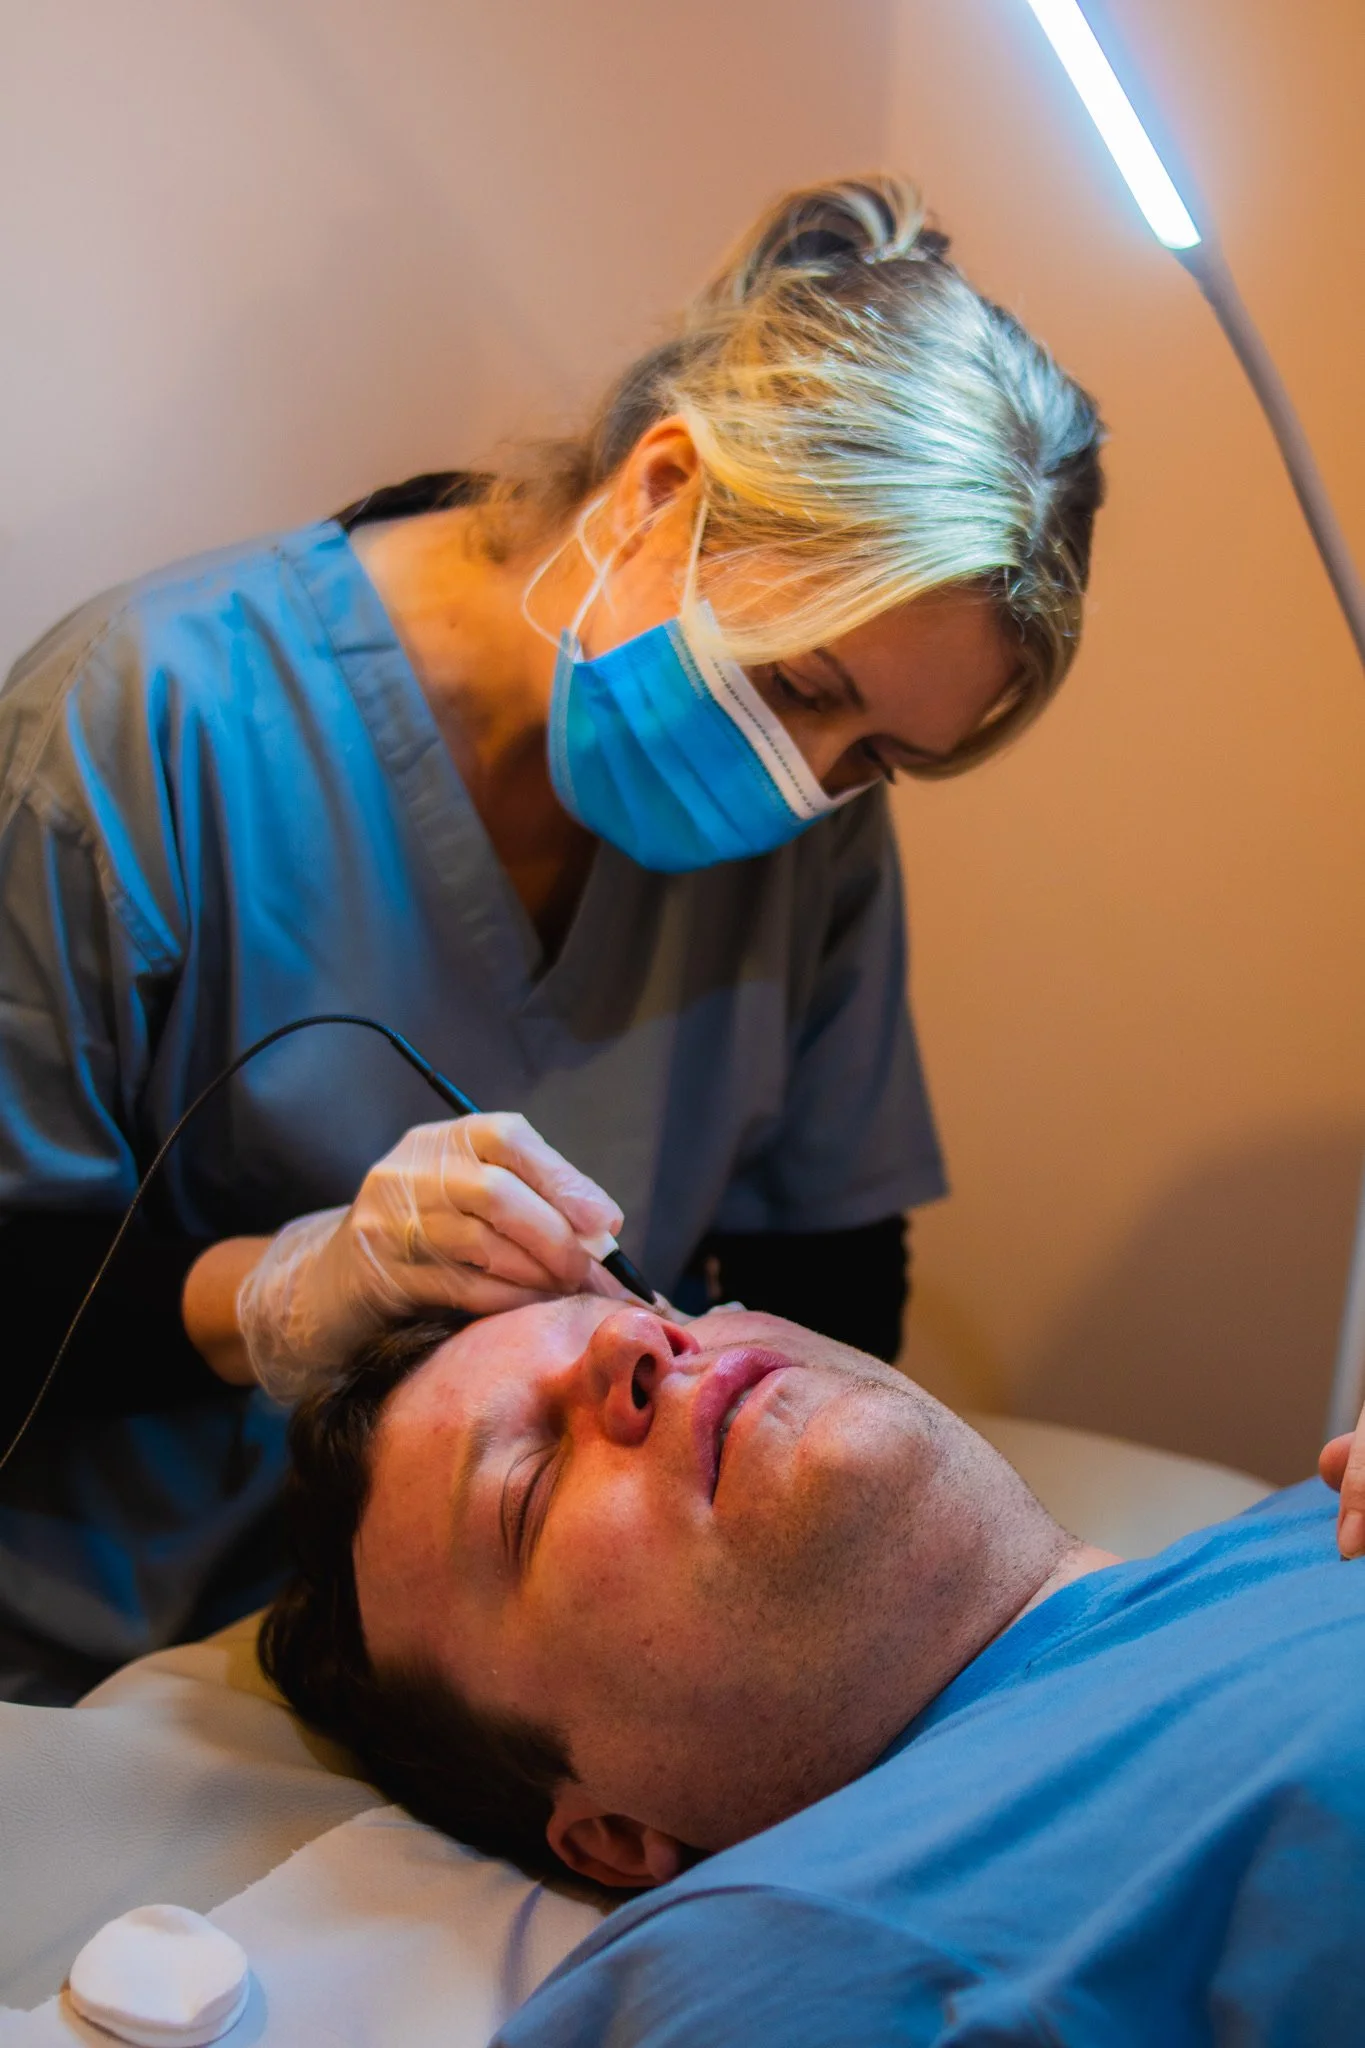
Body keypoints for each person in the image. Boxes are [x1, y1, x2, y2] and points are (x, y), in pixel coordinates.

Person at [0, 173, 1105, 1702]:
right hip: (117, 1663)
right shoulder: (146, 723)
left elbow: (830, 1282)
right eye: (796, 687)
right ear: (658, 488)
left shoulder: (820, 844)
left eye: (877, 757)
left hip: (518, 1687)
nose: (808, 788)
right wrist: (276, 1292)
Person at [262, 1297, 1365, 2045]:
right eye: (530, 1486)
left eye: (640, 1300)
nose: (638, 1343)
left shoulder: (1320, 1505)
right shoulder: (756, 1955)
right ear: (612, 1832)